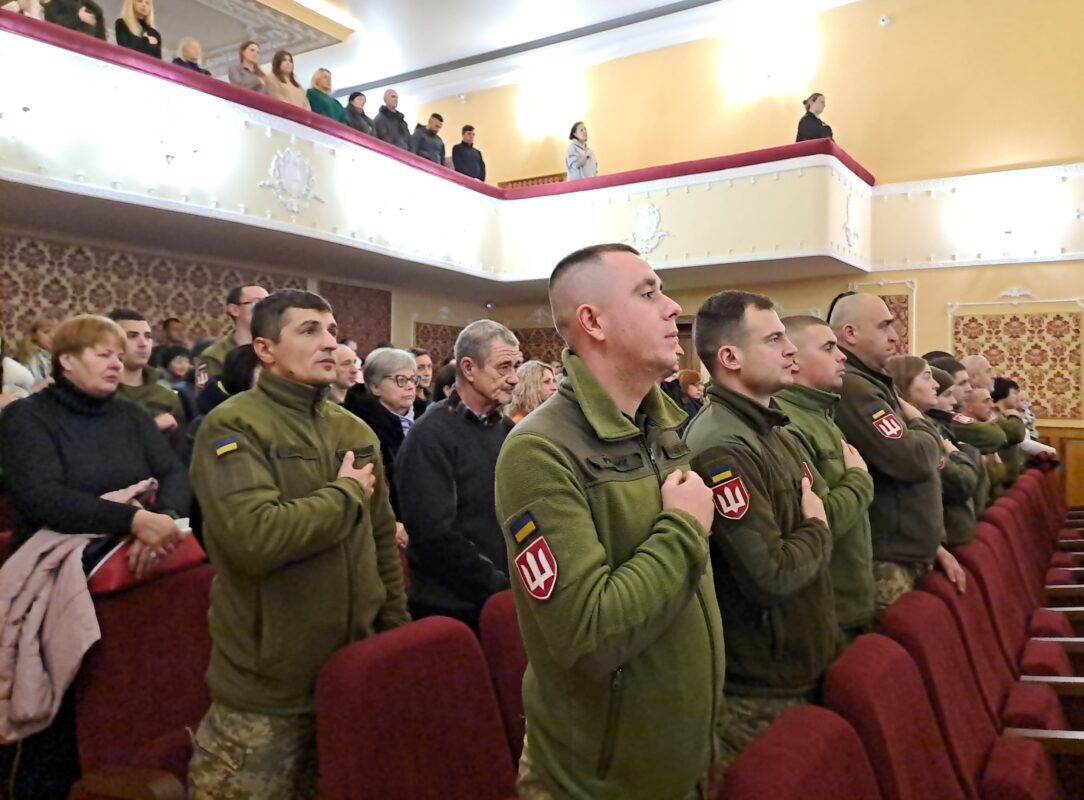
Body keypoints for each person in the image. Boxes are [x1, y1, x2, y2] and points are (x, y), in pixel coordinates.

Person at [495, 243, 721, 800]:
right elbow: (587, 635)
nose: (672, 307)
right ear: (593, 322)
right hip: (600, 780)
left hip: (682, 756)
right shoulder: (538, 450)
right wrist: (684, 529)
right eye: (648, 293)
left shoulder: (662, 429)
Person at [187, 290, 409, 798]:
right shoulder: (234, 424)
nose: (329, 342)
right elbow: (254, 539)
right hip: (266, 693)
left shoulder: (353, 430)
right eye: (309, 331)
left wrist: (393, 639)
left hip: (349, 676)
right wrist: (345, 493)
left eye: (332, 331)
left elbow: (381, 543)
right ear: (265, 349)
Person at [0, 314, 188, 799]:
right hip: (59, 572)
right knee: (65, 724)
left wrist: (163, 519)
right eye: (104, 354)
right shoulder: (26, 418)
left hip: (134, 568)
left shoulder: (130, 415)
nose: (117, 363)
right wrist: (133, 522)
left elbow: (173, 472)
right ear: (66, 361)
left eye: (118, 355)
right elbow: (42, 496)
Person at [684, 292, 836, 771]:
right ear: (730, 358)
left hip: (796, 664)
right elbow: (769, 573)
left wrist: (813, 525)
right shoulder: (721, 446)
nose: (791, 349)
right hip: (759, 688)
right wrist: (818, 527)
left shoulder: (772, 430)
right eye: (774, 339)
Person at [829, 294, 964, 619]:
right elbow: (913, 459)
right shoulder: (856, 388)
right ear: (851, 334)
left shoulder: (874, 382)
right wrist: (921, 422)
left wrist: (932, 544)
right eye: (884, 326)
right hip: (888, 559)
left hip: (906, 550)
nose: (894, 336)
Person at [395, 320, 520, 628]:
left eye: (516, 366)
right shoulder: (429, 436)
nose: (514, 378)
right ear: (468, 368)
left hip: (503, 598)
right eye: (503, 367)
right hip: (452, 608)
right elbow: (435, 537)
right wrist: (500, 587)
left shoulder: (506, 429)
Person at [774, 315, 875, 638]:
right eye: (829, 347)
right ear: (794, 359)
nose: (842, 355)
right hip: (831, 608)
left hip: (849, 597)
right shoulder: (788, 423)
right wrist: (860, 478)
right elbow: (819, 519)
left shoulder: (821, 414)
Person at [887, 356, 981, 549]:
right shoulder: (908, 431)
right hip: (925, 542)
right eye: (927, 377)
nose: (936, 385)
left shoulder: (929, 426)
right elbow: (962, 483)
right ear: (905, 382)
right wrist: (956, 454)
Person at [344, 347, 425, 519]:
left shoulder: (426, 418)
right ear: (375, 387)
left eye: (413, 379)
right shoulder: (360, 426)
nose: (410, 386)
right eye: (400, 380)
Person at [929, 365, 990, 541]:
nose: (954, 401)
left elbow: (997, 436)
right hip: (948, 529)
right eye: (962, 383)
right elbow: (963, 481)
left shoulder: (945, 422)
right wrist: (961, 453)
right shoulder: (936, 427)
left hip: (963, 522)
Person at [108, 309, 186, 438]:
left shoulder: (167, 396)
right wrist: (152, 427)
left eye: (148, 336)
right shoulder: (99, 392)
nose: (143, 344)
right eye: (132, 336)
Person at [198, 284, 269, 381]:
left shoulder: (276, 349)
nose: (266, 309)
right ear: (234, 310)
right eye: (257, 303)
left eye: (269, 303)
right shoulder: (214, 356)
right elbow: (208, 390)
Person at [505, 360, 558, 424]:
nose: (554, 387)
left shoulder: (552, 416)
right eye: (546, 382)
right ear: (530, 386)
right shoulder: (519, 423)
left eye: (554, 381)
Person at [14, 317, 55, 384]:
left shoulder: (61, 357)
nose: (52, 336)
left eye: (56, 333)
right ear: (34, 335)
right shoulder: (26, 358)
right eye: (46, 332)